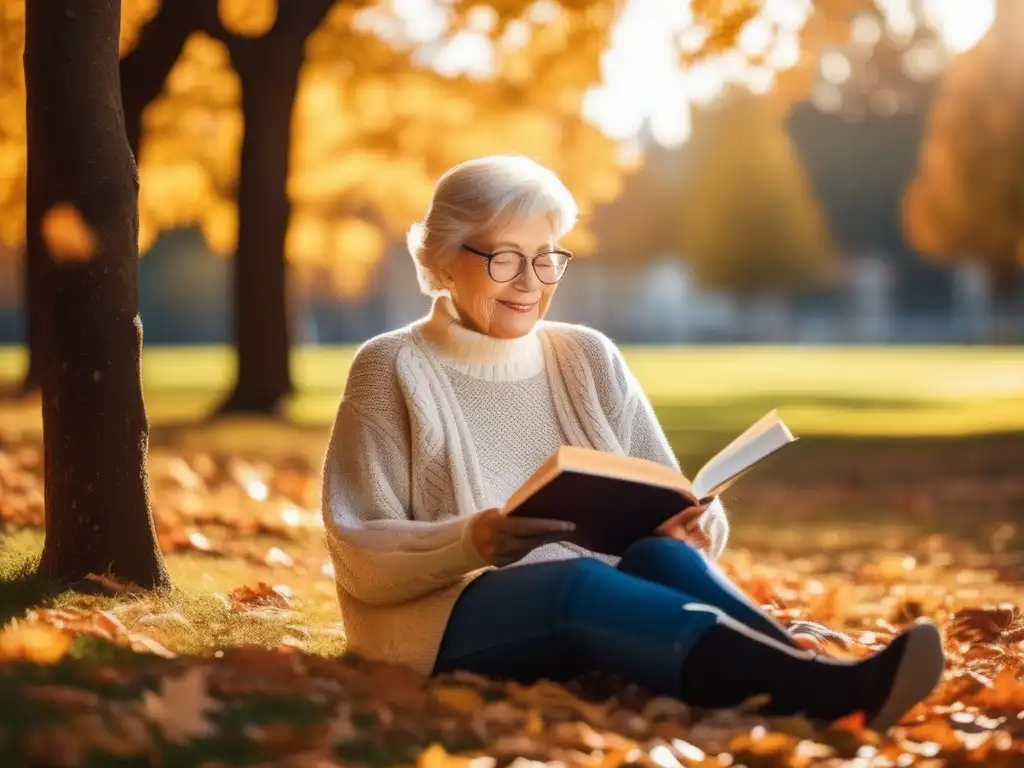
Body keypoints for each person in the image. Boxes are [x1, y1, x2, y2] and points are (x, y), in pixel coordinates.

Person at [321, 155, 945, 731]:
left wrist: (697, 525)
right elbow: (359, 552)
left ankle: (825, 683)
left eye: (546, 258)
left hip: (589, 609)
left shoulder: (588, 356)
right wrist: (471, 540)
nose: (530, 282)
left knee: (665, 560)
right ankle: (826, 690)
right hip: (441, 627)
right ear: (444, 258)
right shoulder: (391, 367)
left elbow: (666, 495)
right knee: (578, 585)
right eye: (505, 258)